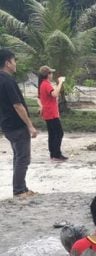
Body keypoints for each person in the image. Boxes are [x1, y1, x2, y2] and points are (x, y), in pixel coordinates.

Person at [0, 48, 38, 198]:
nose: (15, 64)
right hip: (16, 125)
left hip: (7, 125)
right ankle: (19, 190)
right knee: (23, 158)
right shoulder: (8, 81)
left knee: (18, 157)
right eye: (14, 60)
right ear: (8, 62)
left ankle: (21, 187)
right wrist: (30, 125)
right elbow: (17, 105)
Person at [37, 66, 67, 162]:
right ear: (48, 74)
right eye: (51, 73)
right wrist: (61, 82)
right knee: (59, 133)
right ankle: (56, 154)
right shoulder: (46, 84)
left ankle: (53, 154)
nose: (52, 75)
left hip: (48, 112)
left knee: (53, 134)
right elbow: (54, 94)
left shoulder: (43, 84)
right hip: (51, 113)